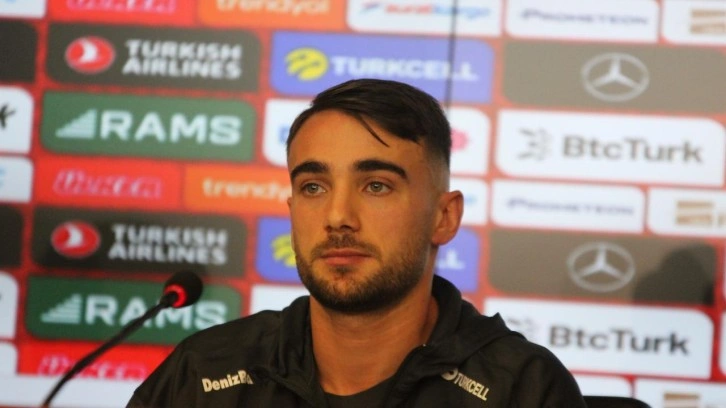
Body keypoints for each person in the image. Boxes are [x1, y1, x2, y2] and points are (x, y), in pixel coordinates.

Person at [127, 79, 587, 407]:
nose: (337, 217)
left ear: (444, 218)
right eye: (313, 187)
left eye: (376, 186)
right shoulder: (203, 372)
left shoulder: (521, 388)